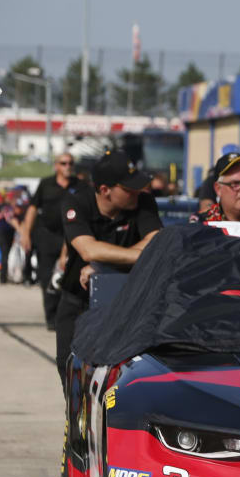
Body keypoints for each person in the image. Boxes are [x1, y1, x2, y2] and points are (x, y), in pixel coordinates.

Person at [57, 150, 162, 384]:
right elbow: (89, 250)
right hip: (78, 302)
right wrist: (108, 261)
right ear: (105, 190)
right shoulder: (76, 203)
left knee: (120, 381)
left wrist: (104, 266)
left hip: (126, 302)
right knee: (72, 377)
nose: (137, 191)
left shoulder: (142, 202)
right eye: (128, 188)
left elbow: (157, 243)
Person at [22, 152, 80, 330]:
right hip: (47, 236)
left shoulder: (80, 185)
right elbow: (33, 208)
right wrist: (26, 233)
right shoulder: (46, 184)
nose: (67, 166)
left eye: (70, 163)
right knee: (47, 277)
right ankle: (51, 317)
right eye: (63, 163)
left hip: (72, 237)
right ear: (56, 165)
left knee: (69, 277)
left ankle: (67, 316)